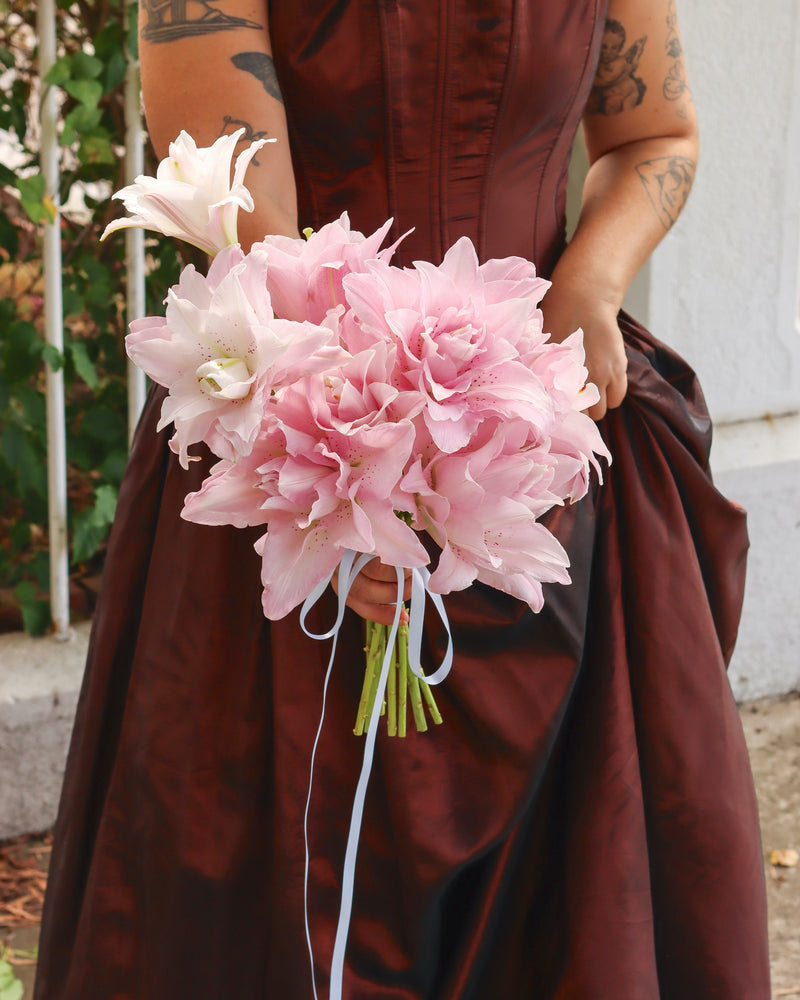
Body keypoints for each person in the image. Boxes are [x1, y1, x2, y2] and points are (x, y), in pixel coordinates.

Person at [34, 1, 771, 997]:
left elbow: (653, 133)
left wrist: (586, 283)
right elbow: (247, 213)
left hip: (545, 451)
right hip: (290, 463)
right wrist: (358, 468)